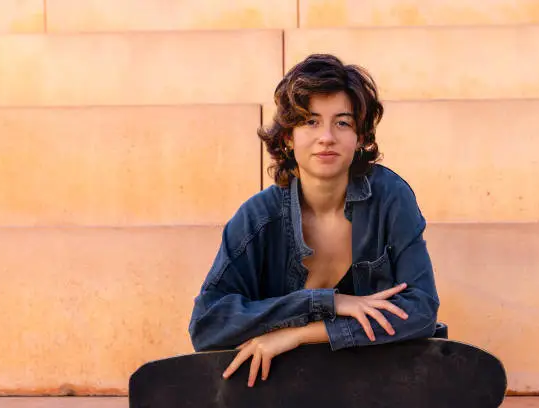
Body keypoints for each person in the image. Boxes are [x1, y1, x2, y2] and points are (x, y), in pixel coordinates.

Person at [188, 53, 440, 387]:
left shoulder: (390, 198)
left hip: (375, 377)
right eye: (311, 121)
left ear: (361, 137)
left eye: (343, 122)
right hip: (283, 382)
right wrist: (326, 302)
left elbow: (421, 310)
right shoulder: (258, 217)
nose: (326, 137)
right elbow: (208, 324)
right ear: (288, 137)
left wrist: (301, 334)